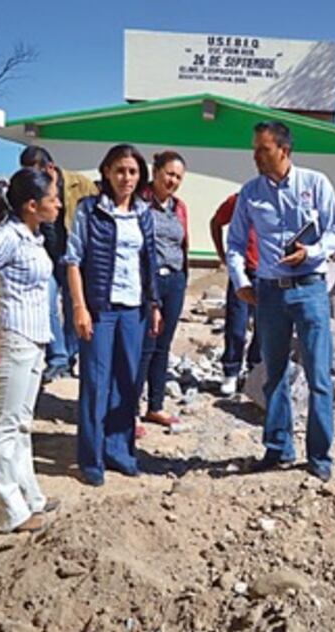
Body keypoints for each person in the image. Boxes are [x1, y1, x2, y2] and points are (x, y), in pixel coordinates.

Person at [226, 121, 335, 482]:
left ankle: (319, 457)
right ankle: (278, 448)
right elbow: (233, 243)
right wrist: (241, 281)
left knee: (318, 376)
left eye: (263, 149)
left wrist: (311, 251)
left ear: (284, 151)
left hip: (309, 288)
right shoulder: (250, 193)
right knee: (273, 374)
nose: (256, 156)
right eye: (254, 149)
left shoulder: (315, 184)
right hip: (269, 293)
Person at [0, 169, 62, 534]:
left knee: (21, 424)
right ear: (32, 206)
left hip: (35, 340)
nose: (59, 204)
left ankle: (27, 497)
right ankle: (5, 513)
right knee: (3, 426)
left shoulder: (33, 237)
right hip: (14, 339)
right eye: (53, 199)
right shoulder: (6, 238)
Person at [63, 144, 161, 486]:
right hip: (100, 309)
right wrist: (79, 307)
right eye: (120, 170)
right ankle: (91, 457)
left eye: (133, 172)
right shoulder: (89, 210)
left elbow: (149, 261)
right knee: (95, 383)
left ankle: (119, 450)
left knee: (128, 382)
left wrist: (154, 303)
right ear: (106, 172)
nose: (127, 178)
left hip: (134, 310)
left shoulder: (144, 213)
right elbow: (73, 260)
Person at [19, 145, 98, 383]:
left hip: (74, 259)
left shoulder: (81, 185)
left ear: (50, 168)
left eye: (36, 173)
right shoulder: (31, 191)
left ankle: (71, 355)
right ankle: (57, 359)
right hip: (46, 258)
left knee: (73, 305)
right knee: (46, 304)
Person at [138, 151, 189, 427]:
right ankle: (130, 409)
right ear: (155, 171)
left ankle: (155, 406)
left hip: (176, 280)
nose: (173, 180)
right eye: (169, 173)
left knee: (163, 345)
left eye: (178, 177)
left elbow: (182, 242)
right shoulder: (139, 202)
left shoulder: (178, 207)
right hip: (150, 280)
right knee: (146, 345)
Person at [210, 192, 261, 395]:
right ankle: (231, 371)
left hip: (267, 272)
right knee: (236, 324)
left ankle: (255, 369)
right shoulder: (242, 198)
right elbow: (216, 221)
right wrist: (222, 255)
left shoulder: (280, 200)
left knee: (264, 326)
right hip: (241, 270)